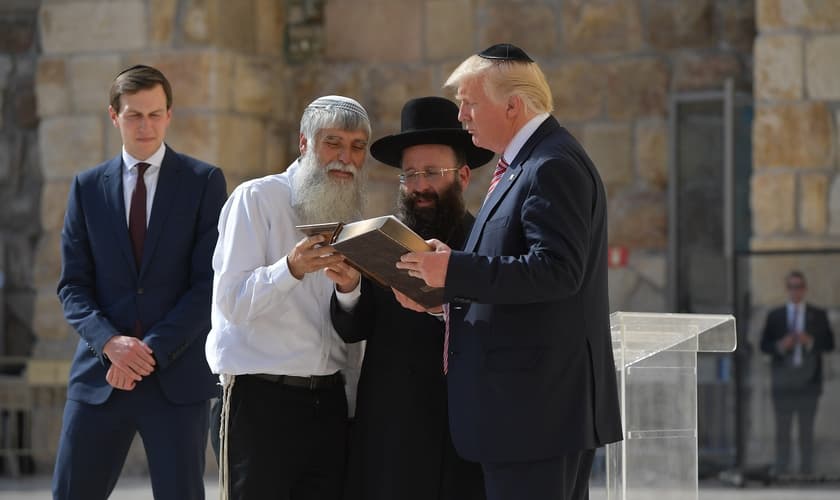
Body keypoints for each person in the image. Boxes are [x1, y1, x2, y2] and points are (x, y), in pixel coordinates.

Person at [394, 44, 623, 500]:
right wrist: (442, 292)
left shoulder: (551, 165)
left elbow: (556, 271)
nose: (462, 116)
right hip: (523, 416)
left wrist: (453, 269)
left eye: (470, 103)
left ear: (512, 105)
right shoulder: (524, 165)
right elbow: (511, 279)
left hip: (535, 415)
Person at [52, 64, 228, 500]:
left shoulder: (203, 183)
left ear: (169, 115)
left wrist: (147, 351)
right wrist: (112, 344)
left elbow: (208, 283)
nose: (145, 125)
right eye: (134, 115)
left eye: (154, 114)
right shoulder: (86, 187)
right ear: (114, 117)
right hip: (100, 377)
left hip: (174, 378)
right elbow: (72, 286)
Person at [205, 95, 370, 500]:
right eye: (333, 142)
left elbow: (348, 332)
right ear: (304, 143)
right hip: (260, 404)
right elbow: (232, 303)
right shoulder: (256, 198)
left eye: (356, 146)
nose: (344, 157)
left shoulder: (352, 215)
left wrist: (350, 290)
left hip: (327, 406)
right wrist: (290, 268)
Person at [330, 96, 492, 500]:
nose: (420, 186)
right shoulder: (383, 238)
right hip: (390, 430)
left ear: (464, 175)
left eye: (433, 173)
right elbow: (354, 328)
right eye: (410, 175)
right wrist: (348, 286)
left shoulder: (486, 243)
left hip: (458, 433)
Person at [760, 270, 835, 475]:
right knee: (782, 429)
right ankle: (782, 469)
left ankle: (806, 470)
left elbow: (829, 343)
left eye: (799, 286)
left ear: (805, 288)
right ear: (787, 289)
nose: (796, 291)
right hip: (783, 381)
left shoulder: (817, 315)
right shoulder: (775, 315)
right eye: (792, 286)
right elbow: (764, 345)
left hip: (808, 381)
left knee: (806, 429)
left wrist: (809, 341)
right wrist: (782, 345)